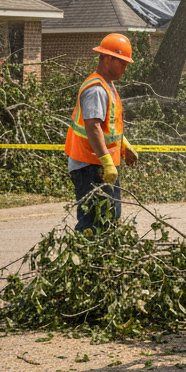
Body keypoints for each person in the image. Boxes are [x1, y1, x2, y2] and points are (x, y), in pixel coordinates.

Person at [65, 33, 138, 233]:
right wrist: (106, 161)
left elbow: (108, 127)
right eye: (121, 62)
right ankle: (87, 262)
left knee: (110, 217)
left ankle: (102, 260)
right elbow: (92, 127)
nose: (125, 67)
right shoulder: (96, 89)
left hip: (100, 163)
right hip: (90, 165)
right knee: (92, 221)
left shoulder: (107, 85)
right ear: (107, 58)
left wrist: (123, 146)